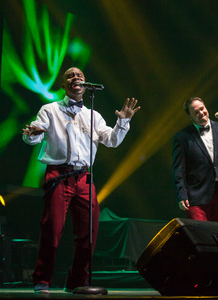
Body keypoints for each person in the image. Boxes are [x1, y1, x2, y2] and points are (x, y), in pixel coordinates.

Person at [22, 67, 141, 294]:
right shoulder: (50, 109)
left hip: (85, 176)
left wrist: (123, 122)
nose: (76, 77)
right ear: (64, 84)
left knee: (89, 231)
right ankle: (42, 279)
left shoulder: (93, 115)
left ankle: (77, 280)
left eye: (80, 76)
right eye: (71, 75)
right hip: (58, 174)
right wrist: (32, 133)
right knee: (53, 228)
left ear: (86, 85)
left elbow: (112, 140)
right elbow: (33, 136)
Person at [172, 97, 218, 222]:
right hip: (196, 194)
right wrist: (181, 194)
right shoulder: (182, 137)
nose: (201, 113)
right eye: (196, 112)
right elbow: (178, 168)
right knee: (201, 233)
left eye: (202, 109)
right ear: (190, 116)